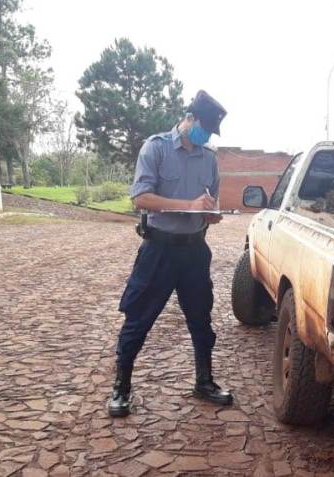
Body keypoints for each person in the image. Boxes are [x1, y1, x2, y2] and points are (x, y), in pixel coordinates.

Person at [109, 90, 232, 417]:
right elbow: (141, 198)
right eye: (203, 127)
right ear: (189, 118)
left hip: (194, 252)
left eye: (210, 132)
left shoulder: (209, 159)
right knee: (138, 319)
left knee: (201, 320)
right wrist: (186, 205)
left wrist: (210, 213)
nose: (205, 135)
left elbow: (209, 203)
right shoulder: (156, 148)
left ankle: (204, 381)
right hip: (159, 250)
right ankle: (121, 387)